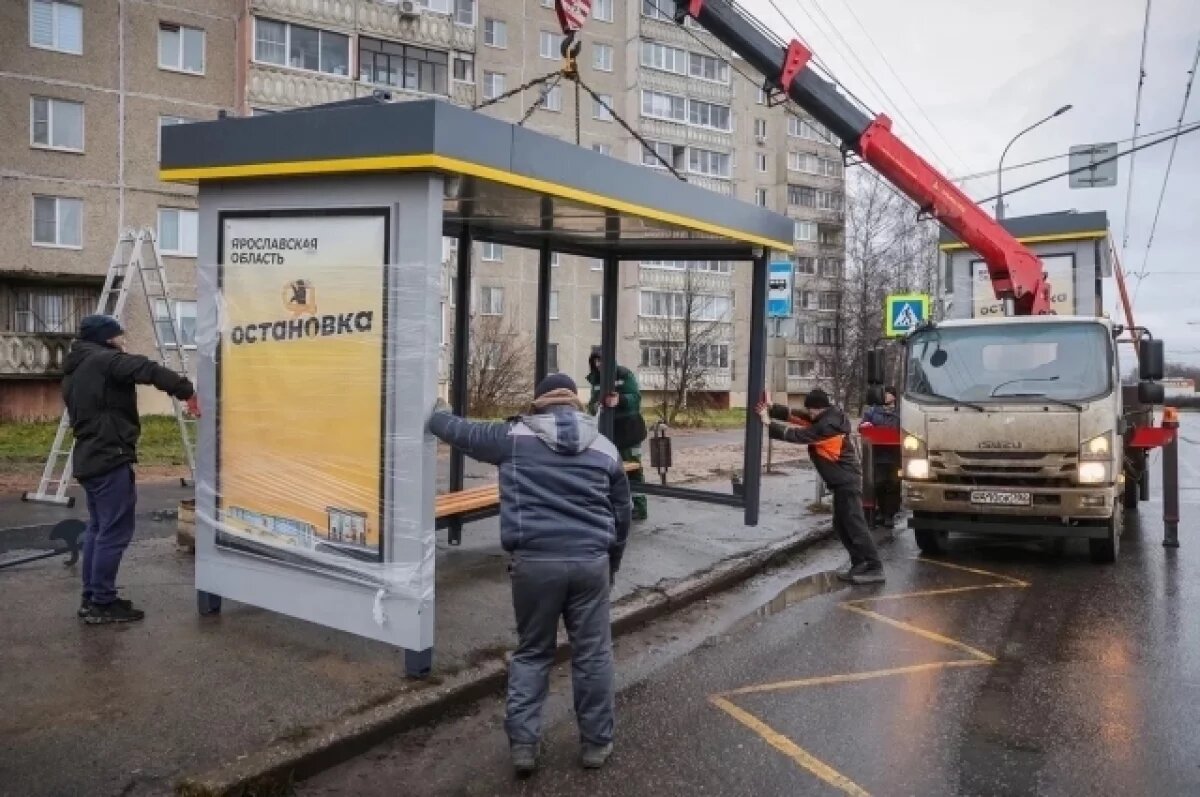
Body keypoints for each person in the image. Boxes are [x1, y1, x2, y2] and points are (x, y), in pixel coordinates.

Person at [428, 373, 632, 775]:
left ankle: (524, 746)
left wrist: (437, 411)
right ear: (575, 403)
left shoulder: (513, 438)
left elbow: (459, 431)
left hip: (534, 566)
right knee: (592, 655)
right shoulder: (605, 448)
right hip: (590, 563)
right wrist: (612, 564)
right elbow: (621, 514)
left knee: (533, 653)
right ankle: (595, 743)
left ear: (539, 403)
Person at [63, 314, 198, 624]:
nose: (122, 341)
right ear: (106, 338)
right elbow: (147, 369)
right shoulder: (104, 360)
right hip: (110, 456)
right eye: (118, 336)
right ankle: (102, 603)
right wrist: (187, 391)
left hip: (89, 457)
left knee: (99, 530)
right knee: (113, 531)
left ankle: (93, 598)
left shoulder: (76, 368)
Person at [757, 389, 885, 585]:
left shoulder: (828, 426)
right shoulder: (825, 417)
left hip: (847, 483)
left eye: (812, 410)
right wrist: (773, 409)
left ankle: (875, 567)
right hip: (841, 484)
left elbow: (799, 434)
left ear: (820, 409)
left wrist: (768, 423)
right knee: (841, 525)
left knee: (855, 525)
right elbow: (798, 417)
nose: (809, 414)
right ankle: (859, 564)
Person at [585, 348, 648, 521]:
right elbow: (592, 403)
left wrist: (620, 399)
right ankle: (614, 507)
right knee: (609, 470)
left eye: (601, 360)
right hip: (608, 433)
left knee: (633, 469)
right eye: (595, 361)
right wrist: (594, 407)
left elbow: (635, 399)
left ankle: (640, 507)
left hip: (629, 432)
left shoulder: (624, 375)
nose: (598, 364)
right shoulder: (596, 380)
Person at [860, 386, 902, 530]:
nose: (885, 396)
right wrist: (865, 426)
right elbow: (863, 426)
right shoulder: (872, 411)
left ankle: (889, 515)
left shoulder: (901, 413)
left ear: (894, 397)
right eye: (884, 394)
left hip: (895, 455)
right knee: (878, 484)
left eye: (888, 394)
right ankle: (880, 512)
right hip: (877, 455)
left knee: (893, 485)